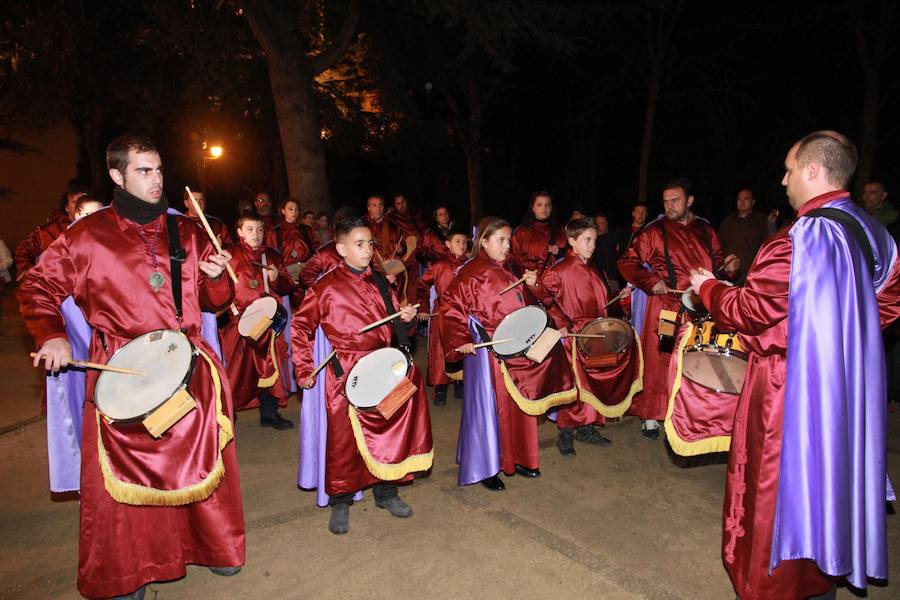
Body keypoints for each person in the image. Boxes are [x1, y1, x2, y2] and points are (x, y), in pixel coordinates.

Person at [18, 134, 245, 599]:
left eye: (159, 170)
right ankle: (129, 571)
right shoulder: (85, 236)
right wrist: (52, 333)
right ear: (117, 176)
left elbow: (214, 302)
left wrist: (218, 279)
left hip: (187, 362)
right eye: (144, 171)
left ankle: (212, 545)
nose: (156, 180)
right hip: (124, 369)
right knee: (125, 480)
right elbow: (35, 285)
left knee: (199, 463)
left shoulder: (186, 230)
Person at [690, 131, 900, 600]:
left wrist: (707, 288)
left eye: (788, 169)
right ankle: (823, 573)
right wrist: (840, 343)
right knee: (834, 475)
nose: (783, 180)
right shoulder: (876, 234)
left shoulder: (797, 240)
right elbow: (886, 304)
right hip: (847, 386)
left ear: (813, 170)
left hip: (789, 388)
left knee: (775, 486)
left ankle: (773, 583)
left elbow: (749, 311)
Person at [292, 217, 434, 534]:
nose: (368, 250)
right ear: (341, 248)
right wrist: (303, 368)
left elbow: (398, 329)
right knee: (342, 440)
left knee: (386, 428)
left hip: (383, 365)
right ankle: (340, 500)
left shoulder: (382, 282)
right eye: (359, 244)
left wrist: (407, 320)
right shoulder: (324, 287)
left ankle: (386, 491)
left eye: (370, 243)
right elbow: (300, 328)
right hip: (343, 373)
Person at [442, 217, 576, 491]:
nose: (506, 246)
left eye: (508, 240)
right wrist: (462, 338)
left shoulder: (512, 268)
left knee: (518, 405)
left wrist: (532, 285)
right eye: (500, 240)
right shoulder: (470, 272)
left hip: (517, 347)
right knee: (489, 409)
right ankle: (486, 466)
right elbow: (450, 306)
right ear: (485, 242)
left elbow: (534, 304)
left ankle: (521, 458)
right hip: (487, 352)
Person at [618, 178, 739, 439]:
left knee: (696, 360)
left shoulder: (706, 229)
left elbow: (716, 262)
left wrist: (728, 268)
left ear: (690, 201)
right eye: (665, 201)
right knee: (660, 356)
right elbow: (627, 262)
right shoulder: (654, 231)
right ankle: (651, 414)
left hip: (700, 307)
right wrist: (652, 281)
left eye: (675, 200)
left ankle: (686, 413)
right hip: (667, 308)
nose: (669, 206)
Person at [541, 218, 642, 455]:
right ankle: (566, 433)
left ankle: (587, 427)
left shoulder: (593, 269)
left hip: (596, 335)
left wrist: (621, 295)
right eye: (587, 240)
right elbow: (545, 300)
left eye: (595, 240)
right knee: (574, 385)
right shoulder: (558, 271)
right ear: (572, 241)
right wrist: (562, 323)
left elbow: (604, 303)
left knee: (592, 383)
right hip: (573, 337)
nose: (592, 245)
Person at [220, 212, 295, 429]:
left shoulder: (272, 256)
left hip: (268, 324)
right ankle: (228, 413)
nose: (256, 234)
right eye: (250, 229)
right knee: (237, 372)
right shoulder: (228, 255)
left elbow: (288, 286)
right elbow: (216, 291)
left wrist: (276, 279)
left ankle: (269, 413)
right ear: (240, 231)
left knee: (270, 368)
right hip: (238, 323)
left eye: (260, 230)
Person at [417, 228, 469, 405]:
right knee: (439, 349)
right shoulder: (439, 265)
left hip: (464, 314)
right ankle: (440, 387)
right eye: (457, 241)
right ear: (448, 244)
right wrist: (423, 308)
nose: (461, 245)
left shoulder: (470, 265)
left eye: (464, 242)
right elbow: (422, 285)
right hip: (442, 312)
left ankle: (460, 382)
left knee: (462, 346)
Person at [14, 184, 89, 280]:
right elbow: (24, 250)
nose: (79, 205)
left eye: (83, 201)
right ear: (66, 207)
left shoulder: (98, 228)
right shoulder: (48, 231)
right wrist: (27, 270)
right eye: (74, 202)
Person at [364, 195, 414, 305]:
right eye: (374, 205)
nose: (378, 208)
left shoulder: (393, 224)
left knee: (398, 299)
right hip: (373, 269)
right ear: (368, 208)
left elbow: (403, 247)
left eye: (380, 205)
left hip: (394, 267)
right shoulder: (363, 225)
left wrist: (401, 249)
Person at [717, 189, 778, 281]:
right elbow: (718, 247)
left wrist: (771, 225)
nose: (742, 202)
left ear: (753, 202)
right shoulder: (727, 222)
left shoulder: (761, 220)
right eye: (739, 199)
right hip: (730, 274)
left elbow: (771, 244)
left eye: (746, 199)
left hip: (752, 275)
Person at [509, 190, 567, 276]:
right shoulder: (521, 232)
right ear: (533, 208)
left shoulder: (559, 230)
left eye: (548, 205)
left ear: (552, 208)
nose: (544, 208)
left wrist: (559, 252)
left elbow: (569, 256)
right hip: (530, 283)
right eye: (539, 205)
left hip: (556, 281)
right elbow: (514, 262)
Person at [266, 198, 313, 295]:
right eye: (290, 209)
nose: (294, 212)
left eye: (296, 209)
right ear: (283, 211)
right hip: (288, 274)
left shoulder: (306, 230)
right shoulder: (274, 233)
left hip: (307, 271)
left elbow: (315, 251)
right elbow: (272, 257)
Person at [591, 211, 623, 290]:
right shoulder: (591, 239)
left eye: (602, 222)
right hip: (596, 278)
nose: (600, 225)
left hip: (612, 278)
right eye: (598, 223)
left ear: (607, 223)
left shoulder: (615, 236)